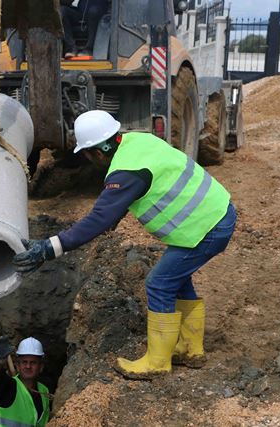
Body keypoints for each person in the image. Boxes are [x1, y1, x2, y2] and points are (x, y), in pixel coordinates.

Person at [13, 110, 237, 379]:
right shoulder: (137, 142)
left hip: (207, 228)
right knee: (177, 279)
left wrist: (48, 248)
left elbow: (99, 218)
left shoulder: (126, 172)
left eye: (86, 154)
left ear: (96, 152)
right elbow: (122, 202)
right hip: (214, 215)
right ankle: (190, 349)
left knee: (159, 283)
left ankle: (157, 362)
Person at [0, 336, 50, 426]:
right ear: (17, 365)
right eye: (24, 362)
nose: (28, 366)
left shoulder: (44, 392)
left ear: (41, 367)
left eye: (33, 362)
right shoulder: (9, 387)